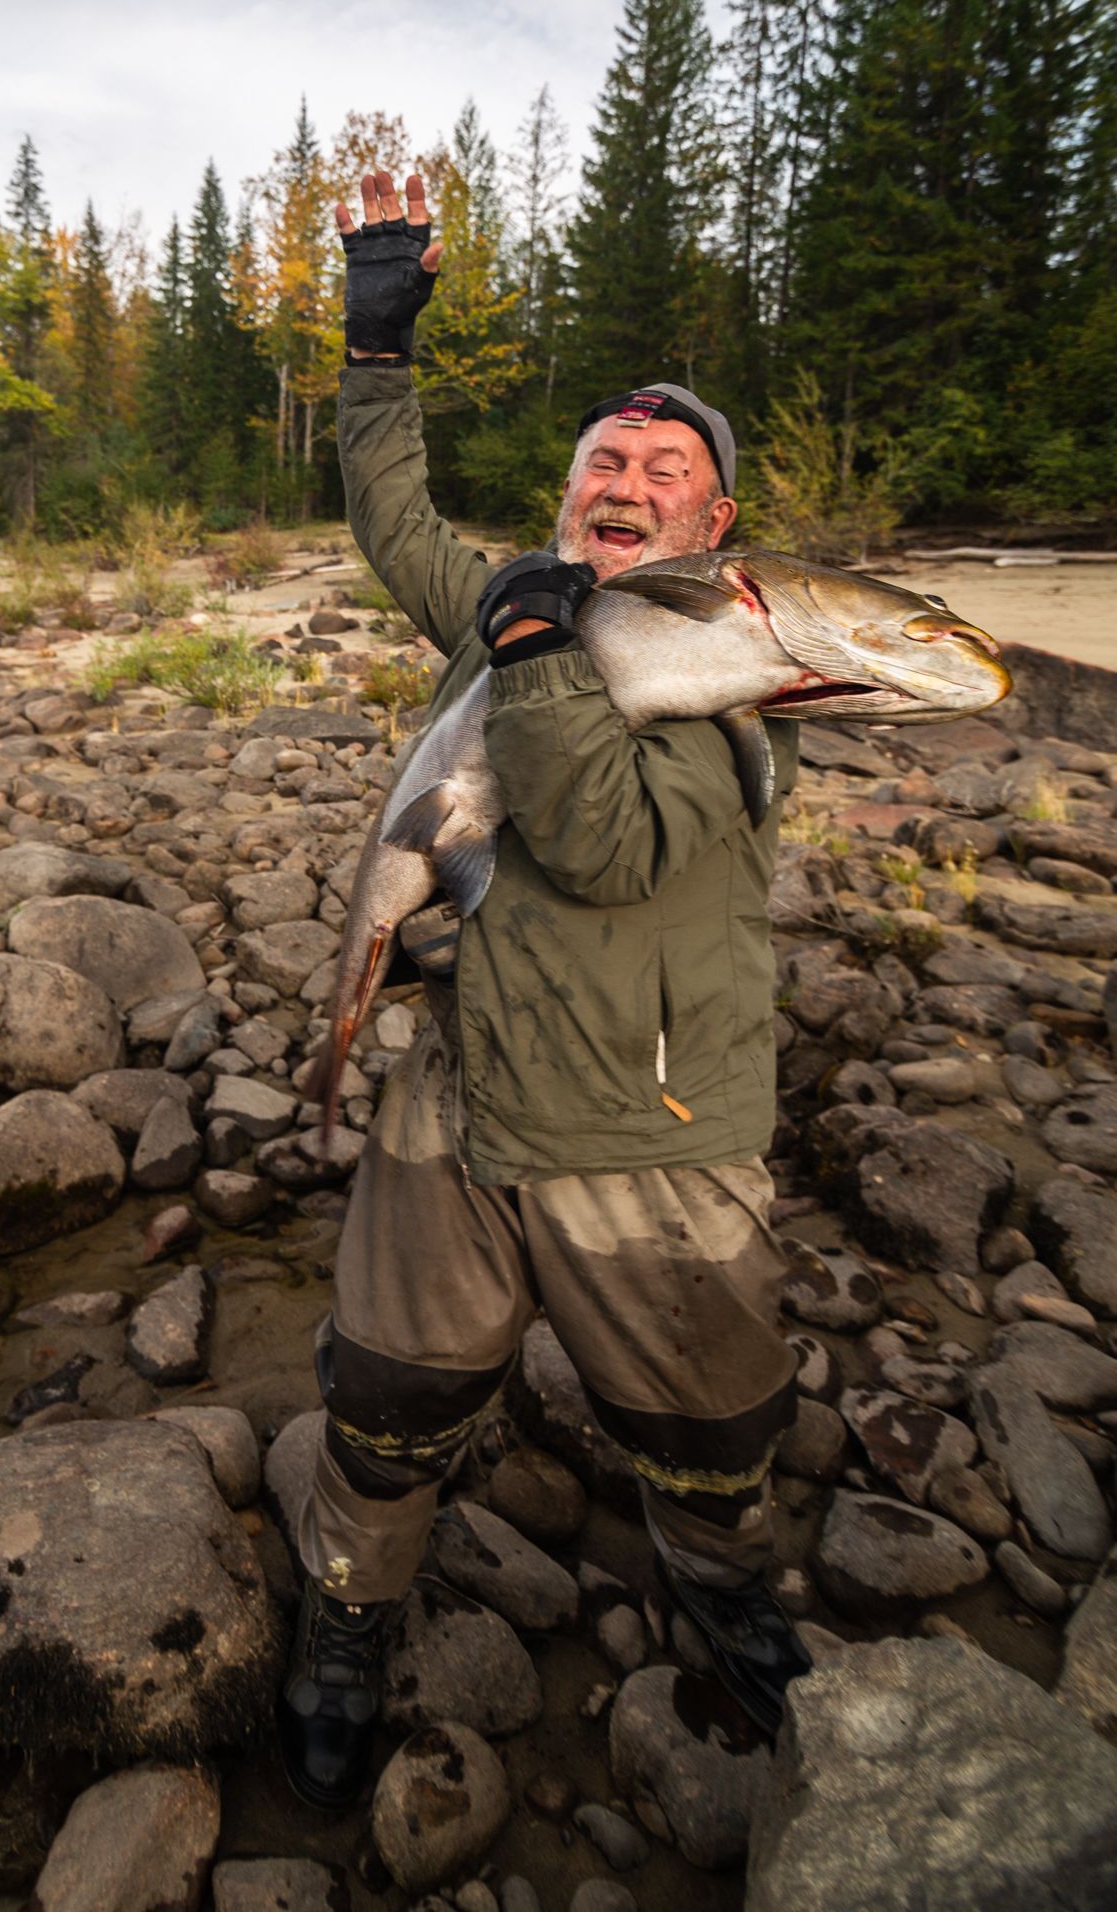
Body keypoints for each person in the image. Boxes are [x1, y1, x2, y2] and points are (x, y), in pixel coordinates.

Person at [277, 170, 810, 1810]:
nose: (625, 481)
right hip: (460, 1093)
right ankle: (351, 1614)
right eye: (603, 461)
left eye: (665, 469)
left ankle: (725, 1605)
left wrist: (524, 663)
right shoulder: (516, 598)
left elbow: (593, 840)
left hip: (645, 1125)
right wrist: (376, 340)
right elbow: (389, 513)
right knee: (387, 1398)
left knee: (708, 1429)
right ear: (572, 495)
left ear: (710, 525)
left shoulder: (736, 680)